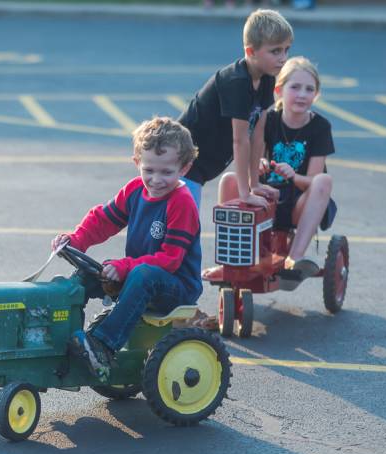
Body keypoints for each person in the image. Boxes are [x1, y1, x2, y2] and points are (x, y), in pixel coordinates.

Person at [51, 117, 202, 382]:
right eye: (149, 170)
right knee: (90, 274)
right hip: (139, 277)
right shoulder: (135, 190)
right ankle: (61, 334)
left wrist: (124, 267)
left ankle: (103, 346)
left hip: (175, 287)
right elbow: (103, 220)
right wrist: (76, 240)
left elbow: (170, 260)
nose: (156, 180)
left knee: (142, 273)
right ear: (137, 163)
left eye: (167, 172)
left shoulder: (182, 203)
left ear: (185, 168)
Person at [221, 56, 336, 276]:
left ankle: (295, 256)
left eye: (309, 89)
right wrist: (259, 164)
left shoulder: (320, 127)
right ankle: (232, 258)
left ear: (316, 94)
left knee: (324, 180)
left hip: (298, 205)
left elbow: (312, 181)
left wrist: (293, 176)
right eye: (295, 87)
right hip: (265, 199)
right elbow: (251, 156)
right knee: (230, 179)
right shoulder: (269, 119)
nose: (302, 94)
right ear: (278, 90)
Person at [178, 9, 293, 210]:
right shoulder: (237, 82)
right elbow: (240, 140)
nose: (283, 58)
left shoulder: (267, 77)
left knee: (184, 227)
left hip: (201, 166)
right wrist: (245, 194)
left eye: (286, 49)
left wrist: (255, 183)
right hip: (181, 161)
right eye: (275, 51)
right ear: (250, 52)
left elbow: (258, 134)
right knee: (183, 227)